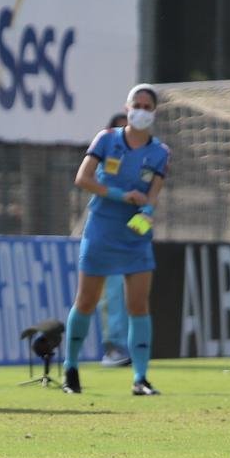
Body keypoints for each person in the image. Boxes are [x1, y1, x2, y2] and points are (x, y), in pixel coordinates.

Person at [62, 84, 169, 396]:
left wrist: (145, 213)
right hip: (102, 230)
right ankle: (71, 368)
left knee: (138, 304)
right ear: (127, 107)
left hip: (135, 236)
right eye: (137, 104)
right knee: (86, 301)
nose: (142, 111)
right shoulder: (107, 139)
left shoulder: (160, 153)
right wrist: (122, 195)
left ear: (154, 112)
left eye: (148, 106)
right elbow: (83, 178)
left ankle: (140, 377)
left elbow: (152, 197)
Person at [98, 111, 131, 368]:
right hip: (106, 233)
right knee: (110, 291)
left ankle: (132, 348)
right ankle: (113, 348)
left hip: (131, 234)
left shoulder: (147, 159)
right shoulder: (105, 158)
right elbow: (95, 183)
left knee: (133, 293)